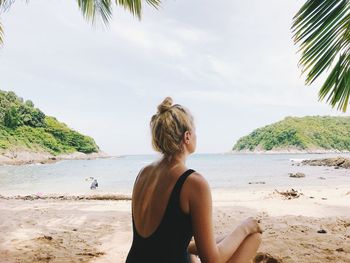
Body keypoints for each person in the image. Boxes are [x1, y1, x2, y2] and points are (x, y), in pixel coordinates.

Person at [126, 97, 262, 263]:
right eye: (195, 131)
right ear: (187, 136)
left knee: (203, 248)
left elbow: (159, 241)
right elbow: (212, 260)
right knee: (253, 237)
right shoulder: (193, 182)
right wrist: (245, 227)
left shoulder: (143, 173)